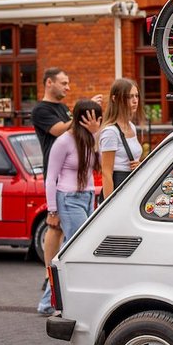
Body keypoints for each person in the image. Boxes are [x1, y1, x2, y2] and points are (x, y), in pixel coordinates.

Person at [32, 68, 101, 315]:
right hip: (68, 197)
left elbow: (101, 163)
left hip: (86, 197)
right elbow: (51, 178)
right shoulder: (59, 135)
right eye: (64, 83)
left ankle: (60, 299)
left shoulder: (87, 139)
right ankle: (49, 301)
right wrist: (52, 209)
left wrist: (95, 133)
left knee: (74, 249)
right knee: (75, 250)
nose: (67, 87)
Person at [99, 78, 143, 199]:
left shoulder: (132, 127)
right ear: (115, 99)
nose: (135, 101)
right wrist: (109, 204)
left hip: (131, 185)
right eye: (129, 97)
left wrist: (139, 165)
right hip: (118, 188)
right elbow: (106, 172)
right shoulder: (111, 132)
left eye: (136, 96)